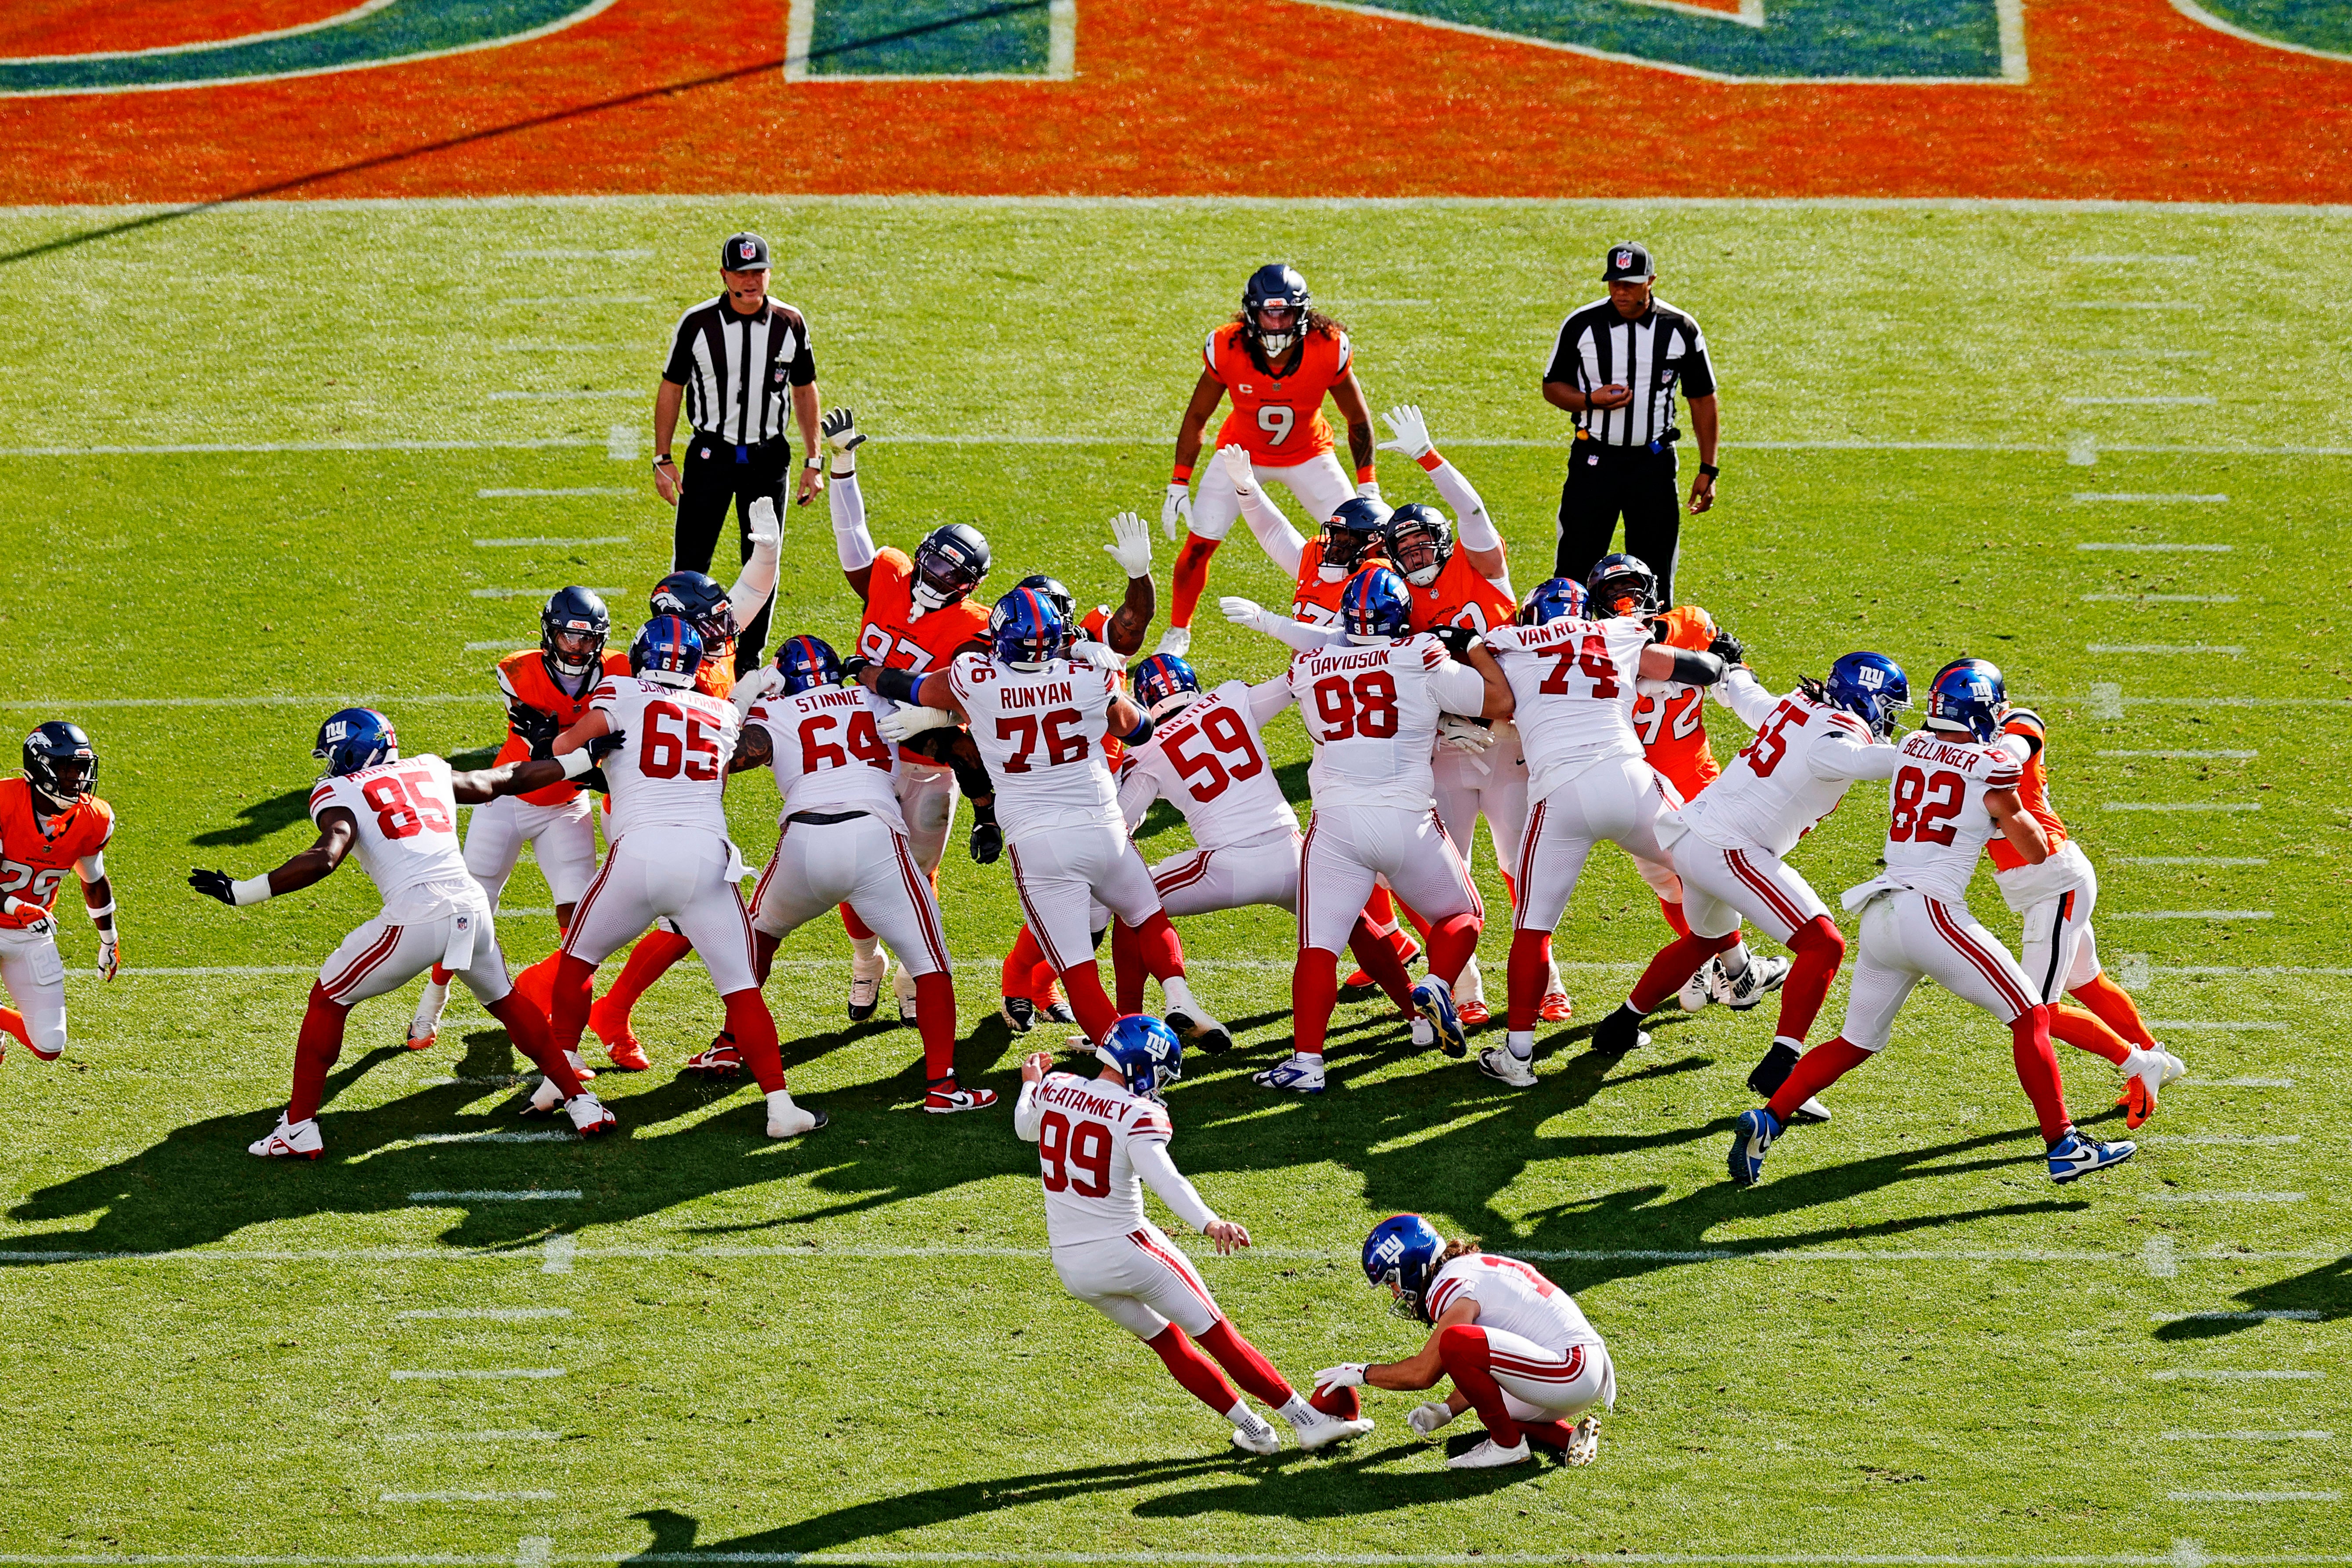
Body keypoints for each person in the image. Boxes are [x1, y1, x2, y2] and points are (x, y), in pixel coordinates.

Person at [1728, 661, 2138, 1188]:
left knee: (1855, 1041)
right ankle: (2064, 1145)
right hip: (1935, 915)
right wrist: (2006, 811)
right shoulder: (1991, 764)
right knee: (2032, 1014)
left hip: (1881, 913)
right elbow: (2035, 850)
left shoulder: (1912, 745)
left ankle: (1770, 1118)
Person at [189, 708, 616, 1158]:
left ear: (351, 752)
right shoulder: (429, 768)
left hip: (419, 912)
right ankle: (583, 1102)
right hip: (470, 907)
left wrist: (242, 892)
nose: (330, 766)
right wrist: (579, 761)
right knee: (505, 1000)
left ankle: (298, 1129)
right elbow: (504, 778)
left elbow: (324, 856)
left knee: (329, 998)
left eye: (334, 756)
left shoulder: (337, 790)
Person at [860, 588, 1221, 1050]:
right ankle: (1180, 994)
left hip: (1039, 841)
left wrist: (867, 673)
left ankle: (1124, 1053)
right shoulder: (1088, 674)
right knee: (1148, 918)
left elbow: (909, 687)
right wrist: (1095, 669)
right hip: (1104, 826)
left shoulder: (977, 676)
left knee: (1076, 967)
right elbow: (1140, 730)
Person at [1013, 1016, 1374, 1455]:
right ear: (1142, 1066)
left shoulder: (1056, 1086)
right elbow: (1167, 1180)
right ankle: (1307, 1421)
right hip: (1128, 1248)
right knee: (1219, 1335)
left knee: (1167, 1342)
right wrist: (1210, 1222)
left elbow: (1025, 1127)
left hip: (1073, 1266)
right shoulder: (1137, 1112)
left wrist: (1032, 1083)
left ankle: (1256, 1431)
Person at [1586, 650, 1914, 1123]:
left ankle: (1620, 1025)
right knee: (1824, 945)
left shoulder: (1793, 706)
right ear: (1863, 697)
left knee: (1705, 939)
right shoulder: (1834, 738)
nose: (1889, 717)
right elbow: (1866, 760)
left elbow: (1747, 696)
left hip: (1693, 834)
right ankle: (1781, 1067)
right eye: (1886, 705)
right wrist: (1936, 750)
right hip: (1730, 848)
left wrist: (1734, 669)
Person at [543, 618, 825, 1139]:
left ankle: (558, 1073)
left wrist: (582, 745)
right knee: (742, 987)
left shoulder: (623, 691)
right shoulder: (721, 710)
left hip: (639, 851)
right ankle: (781, 1106)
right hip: (704, 860)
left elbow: (565, 749)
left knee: (579, 959)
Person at [1250, 568, 1513, 1095]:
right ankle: (1438, 984)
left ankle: (1306, 1062)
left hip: (1336, 822)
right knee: (1463, 915)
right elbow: (1498, 702)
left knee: (1319, 947)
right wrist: (1476, 648)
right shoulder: (1422, 652)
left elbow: (1329, 653)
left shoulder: (1309, 664)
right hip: (1405, 815)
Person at [1474, 576, 1724, 1087]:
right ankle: (1738, 965)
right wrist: (1723, 661)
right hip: (1631, 780)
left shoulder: (1508, 643)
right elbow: (1701, 668)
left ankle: (1518, 1056)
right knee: (1711, 861)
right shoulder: (1616, 633)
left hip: (1561, 792)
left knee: (1533, 925)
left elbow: (1487, 701)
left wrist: (1473, 649)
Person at [736, 635, 994, 1113]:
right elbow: (958, 743)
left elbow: (721, 755)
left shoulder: (773, 713)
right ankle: (941, 1085)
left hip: (805, 844)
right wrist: (985, 810)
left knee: (753, 941)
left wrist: (744, 696)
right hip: (876, 839)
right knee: (930, 963)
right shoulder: (873, 700)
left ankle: (730, 1043)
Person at [1376, 403, 1570, 1025]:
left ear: (1439, 541)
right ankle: (1465, 988)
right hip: (1449, 743)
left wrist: (1429, 457)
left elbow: (1475, 513)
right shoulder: (1395, 600)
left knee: (1522, 868)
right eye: (1400, 546)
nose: (1412, 553)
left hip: (1511, 738)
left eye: (1419, 540)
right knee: (1448, 874)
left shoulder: (1481, 566)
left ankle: (1546, 981)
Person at [569, 520, 781, 1067]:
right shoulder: (628, 673)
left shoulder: (703, 645)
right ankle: (565, 1006)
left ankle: (604, 1009)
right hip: (644, 807)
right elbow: (598, 746)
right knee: (655, 924)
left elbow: (751, 594)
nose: (723, 628)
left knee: (675, 925)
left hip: (691, 801)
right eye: (710, 622)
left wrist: (767, 549)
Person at [810, 407, 996, 1026]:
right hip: (861, 752)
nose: (934, 577)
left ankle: (917, 971)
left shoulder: (975, 627)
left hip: (925, 763)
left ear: (968, 585)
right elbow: (853, 536)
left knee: (920, 874)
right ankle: (867, 961)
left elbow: (972, 697)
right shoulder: (890, 575)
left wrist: (927, 714)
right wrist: (844, 466)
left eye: (951, 572)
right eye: (932, 562)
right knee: (849, 866)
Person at [1107, 653, 1412, 1028]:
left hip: (1225, 865)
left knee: (1132, 904)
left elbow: (1117, 825)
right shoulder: (1232, 698)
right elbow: (1294, 683)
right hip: (1291, 853)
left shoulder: (1147, 749)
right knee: (1356, 923)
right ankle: (1416, 1012)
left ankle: (1128, 1021)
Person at [406, 588, 629, 1054]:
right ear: (550, 635)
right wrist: (588, 754)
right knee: (466, 911)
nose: (577, 649)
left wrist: (584, 754)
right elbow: (545, 751)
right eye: (569, 638)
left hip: (566, 806)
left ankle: (565, 1036)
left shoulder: (620, 669)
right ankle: (434, 998)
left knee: (580, 924)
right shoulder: (518, 671)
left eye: (588, 641)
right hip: (509, 798)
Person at [1968, 664, 2184, 1125]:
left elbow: (2022, 734)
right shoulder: (1969, 748)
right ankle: (2154, 1058)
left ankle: (2139, 1063)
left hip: (2055, 881)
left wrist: (1987, 751)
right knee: (2086, 981)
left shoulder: (2014, 727)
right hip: (2046, 883)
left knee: (2036, 1008)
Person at [1158, 264, 1378, 657]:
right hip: (1241, 455)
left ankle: (1378, 622)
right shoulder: (1226, 346)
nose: (1276, 324)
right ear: (1250, 313)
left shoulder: (1328, 347)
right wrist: (1179, 481)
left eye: (1286, 314)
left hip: (1310, 454)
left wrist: (1369, 483)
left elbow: (1356, 417)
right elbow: (1197, 416)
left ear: (1303, 314)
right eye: (1267, 313)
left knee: (1366, 541)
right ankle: (1178, 632)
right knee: (1197, 546)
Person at [1317, 1214, 1613, 1470]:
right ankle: (1567, 1437)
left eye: (1392, 1282)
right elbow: (1491, 1362)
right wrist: (1447, 1410)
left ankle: (1507, 1446)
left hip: (1569, 1369)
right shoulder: (1467, 1268)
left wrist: (1362, 1373)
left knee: (1454, 1342)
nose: (1395, 1294)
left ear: (1410, 1267)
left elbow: (1425, 1372)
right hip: (1577, 1367)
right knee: (1494, 1407)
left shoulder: (1449, 1284)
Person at [651, 231, 818, 673]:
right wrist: (662, 457)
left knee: (763, 560)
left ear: (769, 273)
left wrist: (814, 460)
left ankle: (747, 662)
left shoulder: (790, 323)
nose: (750, 280)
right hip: (710, 456)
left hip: (767, 460)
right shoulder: (698, 323)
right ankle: (676, 657)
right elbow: (672, 387)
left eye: (758, 271)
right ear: (724, 275)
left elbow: (804, 391)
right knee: (690, 562)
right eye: (741, 272)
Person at [1624, 597, 1784, 1013]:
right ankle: (1723, 963)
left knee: (1675, 883)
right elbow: (1729, 685)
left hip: (1642, 787)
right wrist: (1736, 667)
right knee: (1709, 876)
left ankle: (1708, 960)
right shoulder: (1691, 624)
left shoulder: (1599, 645)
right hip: (1695, 782)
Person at [1541, 241, 1718, 605]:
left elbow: (1702, 398)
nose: (1620, 291)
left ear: (1651, 281)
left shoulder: (1680, 328)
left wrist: (1708, 468)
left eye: (1631, 284)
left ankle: (1654, 654)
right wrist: (1591, 400)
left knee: (1655, 574)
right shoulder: (1582, 325)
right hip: (1594, 460)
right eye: (1615, 283)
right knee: (1573, 569)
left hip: (1652, 464)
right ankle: (1569, 648)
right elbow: (1552, 387)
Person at [1, 722, 120, 1063]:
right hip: (14, 917)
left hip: (31, 934)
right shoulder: (4, 802)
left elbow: (94, 880)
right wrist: (15, 906)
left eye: (81, 769)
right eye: (66, 768)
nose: (76, 778)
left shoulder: (93, 817)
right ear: (39, 766)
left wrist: (109, 939)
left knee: (49, 1046)